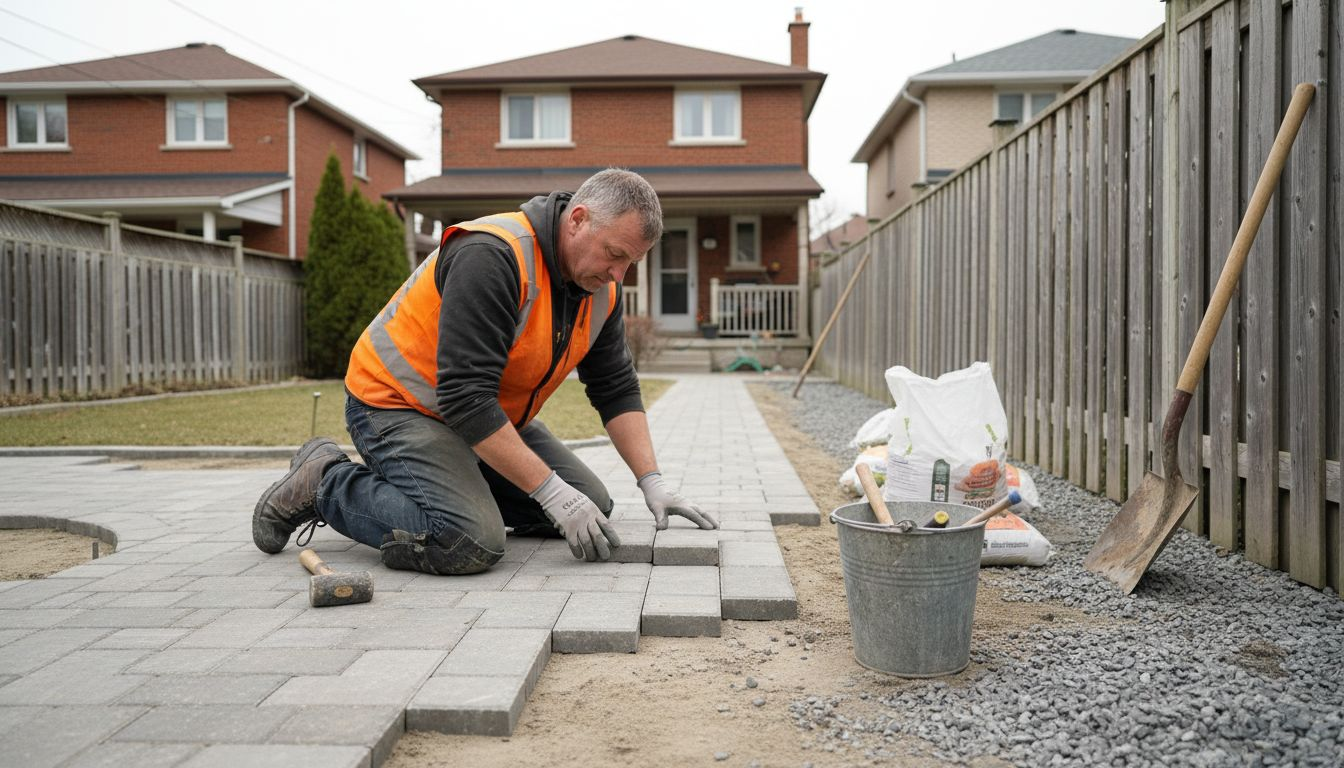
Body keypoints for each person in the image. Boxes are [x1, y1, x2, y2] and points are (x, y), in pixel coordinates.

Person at [251, 169, 717, 574]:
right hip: (396, 406)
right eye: (615, 255)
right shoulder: (492, 255)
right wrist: (551, 495)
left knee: (590, 506)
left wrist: (652, 481)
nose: (620, 275)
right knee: (468, 540)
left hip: (481, 418)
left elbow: (615, 388)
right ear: (577, 220)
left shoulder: (599, 290)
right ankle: (326, 481)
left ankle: (454, 486)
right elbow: (464, 397)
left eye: (631, 263)